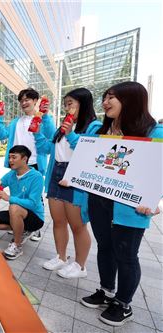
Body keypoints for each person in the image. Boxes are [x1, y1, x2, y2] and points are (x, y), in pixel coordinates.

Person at [80, 82, 162, 326]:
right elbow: (87, 160)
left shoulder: (153, 132)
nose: (105, 102)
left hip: (130, 206)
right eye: (105, 97)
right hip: (100, 200)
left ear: (131, 100)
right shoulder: (100, 130)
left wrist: (152, 198)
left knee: (126, 255)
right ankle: (106, 291)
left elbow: (158, 170)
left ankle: (124, 304)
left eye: (111, 97)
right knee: (105, 247)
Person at [33, 88, 101, 278]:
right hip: (56, 173)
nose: (67, 107)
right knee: (58, 221)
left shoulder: (95, 126)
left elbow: (90, 152)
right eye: (65, 104)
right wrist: (37, 133)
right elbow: (47, 148)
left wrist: (70, 133)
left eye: (70, 103)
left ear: (84, 103)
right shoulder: (63, 126)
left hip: (76, 176)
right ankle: (61, 257)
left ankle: (80, 266)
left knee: (77, 225)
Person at [0, 88, 55, 242]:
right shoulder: (16, 121)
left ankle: (35, 228)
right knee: (17, 194)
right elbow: (2, 135)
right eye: (21, 100)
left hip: (34, 163)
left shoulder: (42, 119)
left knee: (35, 198)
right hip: (17, 165)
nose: (24, 103)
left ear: (35, 101)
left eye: (27, 99)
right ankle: (19, 224)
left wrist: (46, 115)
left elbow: (51, 135)